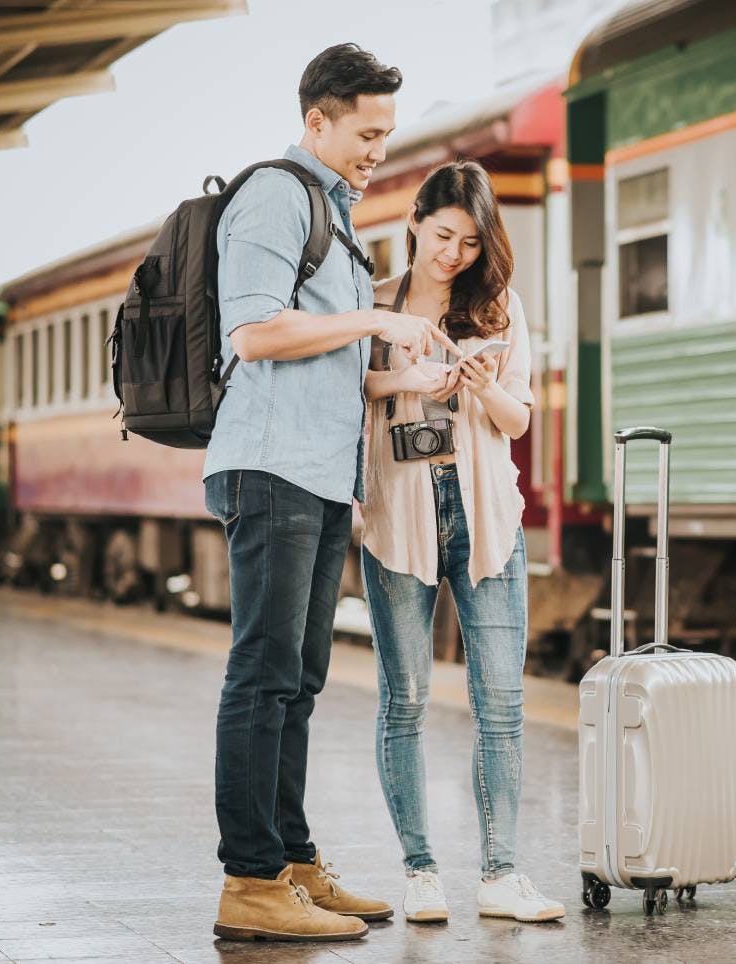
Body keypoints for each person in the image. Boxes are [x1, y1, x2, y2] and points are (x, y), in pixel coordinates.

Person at [202, 43, 456, 943]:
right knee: (263, 674)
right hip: (270, 464)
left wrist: (414, 366)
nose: (380, 148)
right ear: (318, 118)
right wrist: (377, 316)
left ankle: (293, 863)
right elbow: (257, 331)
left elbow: (333, 362)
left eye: (389, 132)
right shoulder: (275, 194)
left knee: (299, 679)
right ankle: (251, 880)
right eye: (367, 130)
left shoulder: (336, 216)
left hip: (315, 470)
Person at [361, 160, 564, 924]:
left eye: (471, 243)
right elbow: (351, 391)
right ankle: (420, 870)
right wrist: (402, 375)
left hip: (486, 516)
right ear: (414, 221)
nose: (454, 254)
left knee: (502, 703)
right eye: (443, 235)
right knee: (406, 699)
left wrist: (478, 381)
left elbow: (517, 422)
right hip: (400, 514)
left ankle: (502, 874)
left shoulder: (500, 306)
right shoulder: (374, 305)